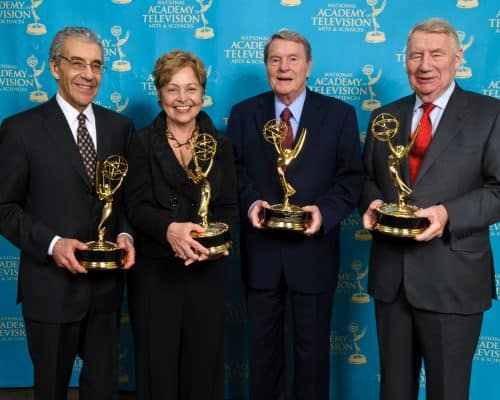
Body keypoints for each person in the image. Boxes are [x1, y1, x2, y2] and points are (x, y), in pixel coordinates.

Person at [360, 18, 500, 400]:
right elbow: (368, 178)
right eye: (415, 55)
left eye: (436, 54)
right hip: (393, 280)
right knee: (394, 391)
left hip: (453, 279)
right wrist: (372, 202)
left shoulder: (491, 114)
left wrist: (446, 214)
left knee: (449, 392)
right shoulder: (383, 117)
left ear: (457, 59)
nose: (425, 65)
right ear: (404, 61)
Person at [227, 30, 363, 399]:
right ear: (266, 66)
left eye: (292, 59)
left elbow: (351, 180)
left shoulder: (339, 115)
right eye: (275, 59)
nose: (284, 67)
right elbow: (232, 173)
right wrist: (253, 204)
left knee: (312, 355)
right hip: (262, 254)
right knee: (262, 355)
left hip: (314, 253)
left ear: (308, 66)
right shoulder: (243, 114)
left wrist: (322, 213)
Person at [0, 27, 135, 400]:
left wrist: (125, 235)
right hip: (50, 288)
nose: (88, 75)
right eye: (77, 63)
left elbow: (125, 202)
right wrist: (54, 244)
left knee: (103, 390)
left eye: (96, 65)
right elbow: (4, 209)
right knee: (50, 390)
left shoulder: (120, 128)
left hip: (105, 290)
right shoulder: (20, 130)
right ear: (55, 67)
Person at [124, 49, 238, 400]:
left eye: (191, 89)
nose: (182, 99)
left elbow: (230, 207)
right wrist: (170, 230)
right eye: (172, 89)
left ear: (203, 93)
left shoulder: (221, 144)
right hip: (157, 273)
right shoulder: (140, 143)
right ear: (159, 94)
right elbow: (136, 206)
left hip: (207, 272)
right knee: (157, 371)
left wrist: (211, 245)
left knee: (203, 372)